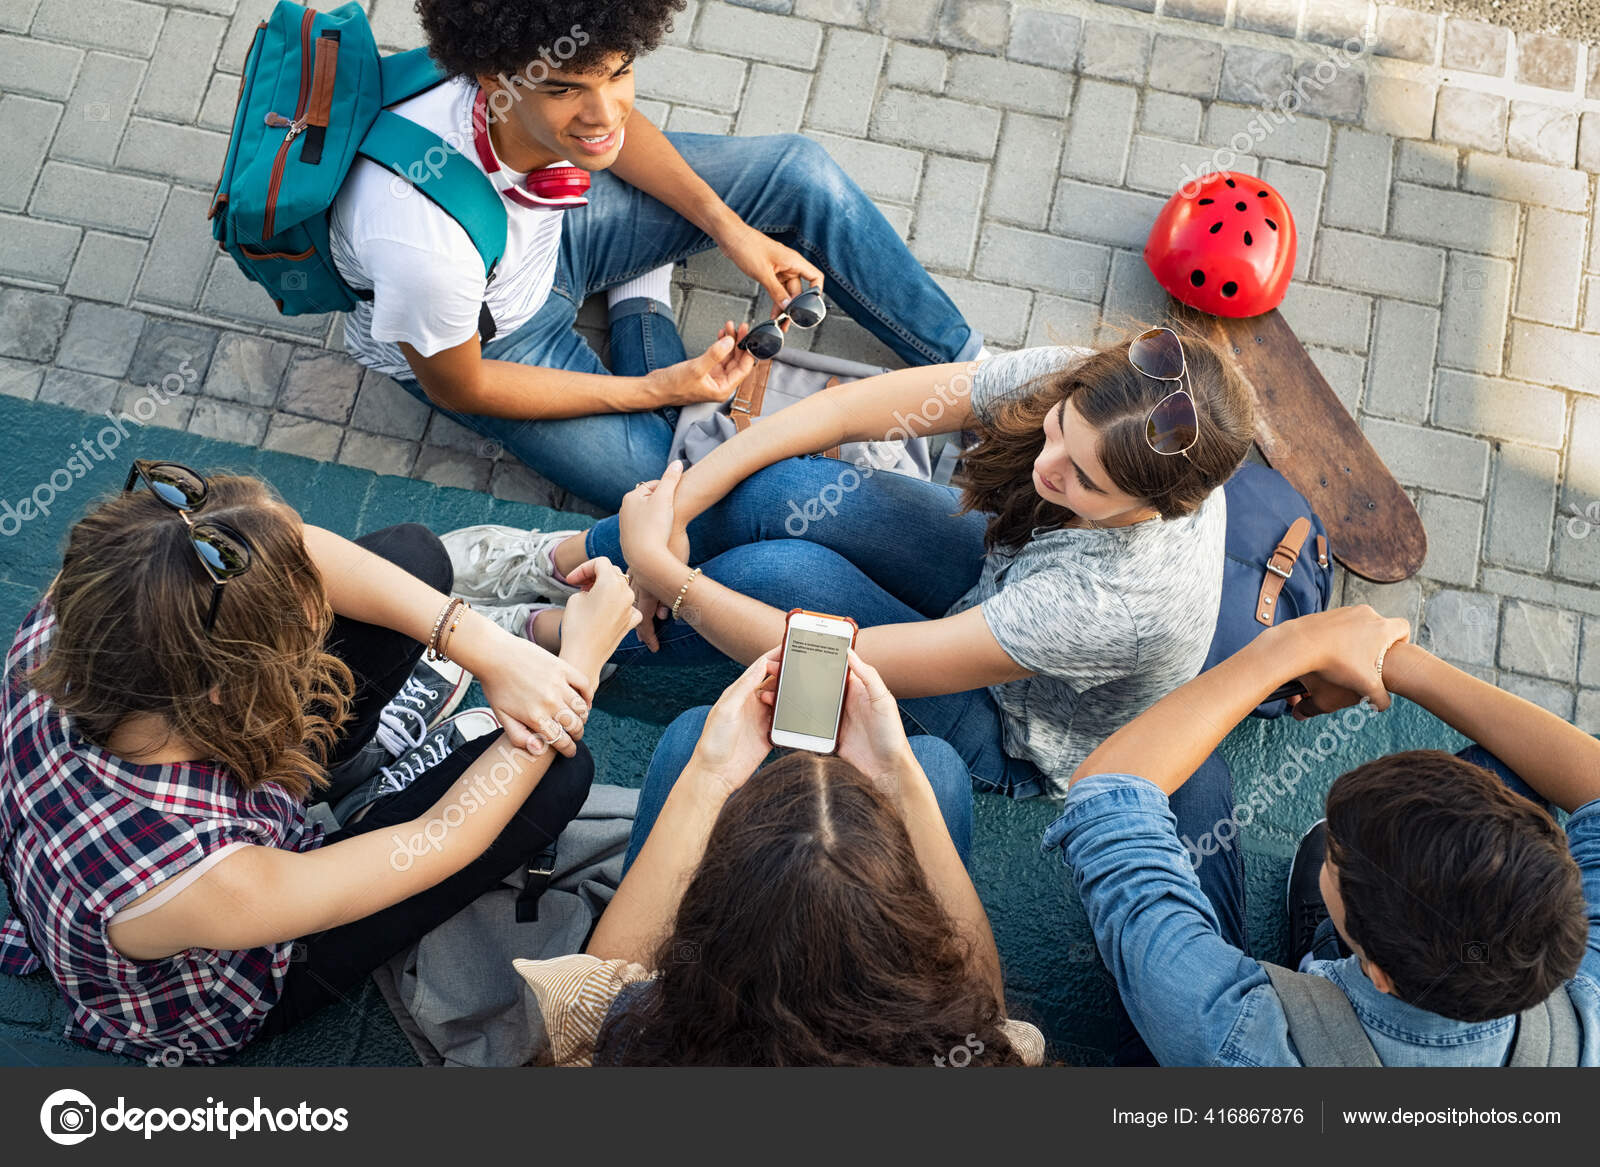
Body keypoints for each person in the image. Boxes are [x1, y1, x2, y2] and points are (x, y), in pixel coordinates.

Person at [445, 328, 1256, 805]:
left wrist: (667, 571)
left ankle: (553, 633)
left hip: (1008, 727)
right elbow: (844, 410)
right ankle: (565, 559)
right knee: (782, 485)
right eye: (1056, 432)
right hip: (1003, 575)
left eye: (1083, 478)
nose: (1048, 466)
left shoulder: (1115, 599)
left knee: (776, 579)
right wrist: (677, 512)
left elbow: (834, 657)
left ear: (1157, 505)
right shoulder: (1113, 394)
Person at [0, 462, 638, 1064]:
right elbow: (434, 842)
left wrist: (492, 651)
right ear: (230, 687)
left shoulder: (103, 600)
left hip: (204, 792)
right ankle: (361, 810)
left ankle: (353, 773)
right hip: (245, 964)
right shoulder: (204, 880)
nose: (317, 635)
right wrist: (577, 665)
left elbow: (300, 548)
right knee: (557, 776)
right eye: (302, 641)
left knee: (413, 556)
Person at [331, 0, 982, 511]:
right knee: (685, 492)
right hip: (493, 344)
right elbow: (462, 385)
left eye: (619, 73)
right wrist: (655, 388)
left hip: (553, 234)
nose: (603, 111)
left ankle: (982, 377)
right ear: (491, 79)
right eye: (564, 90)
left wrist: (731, 230)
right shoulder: (422, 244)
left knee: (799, 172)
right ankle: (640, 300)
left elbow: (611, 135)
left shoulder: (547, 83)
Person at [1048, 604, 1600, 1066]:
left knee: (1187, 781)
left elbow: (1108, 793)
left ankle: (1321, 957)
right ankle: (1333, 947)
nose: (1334, 847)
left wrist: (1291, 648)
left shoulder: (1238, 1036)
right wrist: (1394, 663)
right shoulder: (1584, 1011)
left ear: (1380, 972)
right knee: (1509, 772)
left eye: (1337, 860)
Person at [512, 649, 1045, 1066]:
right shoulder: (968, 1053)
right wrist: (897, 775)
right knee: (935, 764)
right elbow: (988, 1014)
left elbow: (604, 982)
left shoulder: (632, 1036)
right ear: (908, 928)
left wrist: (710, 775)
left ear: (701, 910)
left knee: (692, 734)